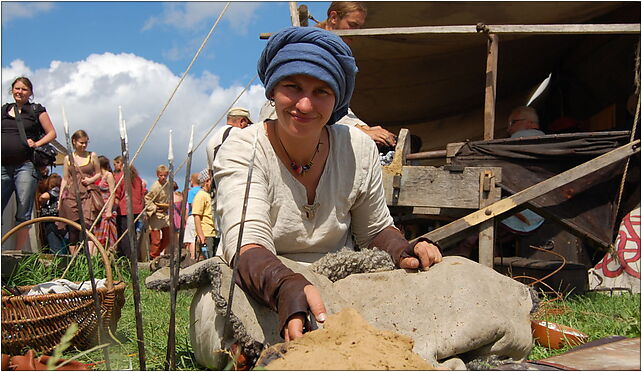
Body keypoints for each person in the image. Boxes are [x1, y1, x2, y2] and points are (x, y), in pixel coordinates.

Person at [214, 27, 442, 341]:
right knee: (229, 331)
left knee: (436, 288)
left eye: (321, 91)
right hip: (260, 280)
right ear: (272, 91)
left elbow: (374, 229)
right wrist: (284, 286)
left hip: (340, 280)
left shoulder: (358, 149)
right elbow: (245, 242)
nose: (305, 105)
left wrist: (404, 250)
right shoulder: (242, 149)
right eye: (292, 87)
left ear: (336, 99)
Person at [257, 2, 397, 149]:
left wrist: (363, 128)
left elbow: (336, 108)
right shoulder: (309, 50)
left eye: (359, 27)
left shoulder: (339, 59)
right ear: (334, 17)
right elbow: (310, 104)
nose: (356, 33)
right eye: (352, 25)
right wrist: (359, 131)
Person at [1, 77, 57, 251]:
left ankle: (17, 252)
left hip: (25, 165)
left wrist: (37, 144)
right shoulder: (4, 110)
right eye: (17, 88)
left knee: (23, 210)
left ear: (30, 92)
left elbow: (52, 133)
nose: (20, 92)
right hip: (3, 165)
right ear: (12, 90)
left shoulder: (35, 110)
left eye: (24, 89)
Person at [57, 130, 102, 255]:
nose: (84, 145)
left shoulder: (92, 155)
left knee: (88, 226)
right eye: (81, 143)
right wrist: (60, 198)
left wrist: (91, 179)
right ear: (74, 142)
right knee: (73, 228)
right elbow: (65, 179)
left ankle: (91, 259)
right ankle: (74, 260)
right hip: (71, 194)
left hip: (87, 194)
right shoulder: (68, 158)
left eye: (86, 143)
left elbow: (98, 173)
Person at [113, 162, 146, 260]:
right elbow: (142, 195)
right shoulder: (138, 179)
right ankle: (133, 256)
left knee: (124, 234)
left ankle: (127, 258)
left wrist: (113, 208)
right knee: (133, 234)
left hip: (124, 209)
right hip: (137, 209)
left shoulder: (120, 178)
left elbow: (117, 194)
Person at [144, 164, 171, 259]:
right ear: (157, 175)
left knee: (168, 236)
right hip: (156, 215)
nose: (163, 177)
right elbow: (147, 199)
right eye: (161, 175)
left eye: (165, 175)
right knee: (156, 240)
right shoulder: (155, 187)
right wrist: (154, 208)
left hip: (164, 214)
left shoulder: (168, 185)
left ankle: (158, 253)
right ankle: (153, 257)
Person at [191, 169, 218, 260]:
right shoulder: (201, 195)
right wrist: (201, 235)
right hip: (206, 233)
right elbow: (197, 216)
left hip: (214, 233)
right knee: (207, 259)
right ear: (207, 181)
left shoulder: (210, 195)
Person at [37, 173, 67, 255]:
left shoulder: (54, 191)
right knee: (62, 245)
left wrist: (41, 203)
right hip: (61, 221)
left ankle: (58, 265)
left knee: (55, 247)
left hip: (51, 221)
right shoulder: (63, 192)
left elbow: (43, 197)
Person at [93, 155, 117, 254]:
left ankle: (108, 256)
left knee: (108, 235)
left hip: (107, 207)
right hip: (97, 207)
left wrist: (109, 210)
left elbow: (112, 193)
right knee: (96, 234)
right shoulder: (96, 176)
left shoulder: (108, 175)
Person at [183, 172, 201, 260]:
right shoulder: (202, 191)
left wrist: (186, 218)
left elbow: (190, 205)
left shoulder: (192, 192)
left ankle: (192, 257)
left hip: (193, 216)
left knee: (191, 239)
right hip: (202, 217)